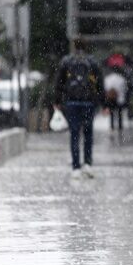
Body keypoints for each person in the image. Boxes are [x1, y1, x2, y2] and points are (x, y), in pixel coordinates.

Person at [54, 38, 104, 179]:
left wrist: (57, 101)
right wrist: (103, 103)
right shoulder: (92, 62)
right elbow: (100, 83)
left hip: (71, 102)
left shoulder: (67, 61)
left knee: (74, 134)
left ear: (74, 46)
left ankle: (75, 167)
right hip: (88, 102)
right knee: (88, 134)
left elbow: (59, 82)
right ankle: (88, 164)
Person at [104, 69, 127, 134]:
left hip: (111, 99)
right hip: (119, 98)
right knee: (119, 113)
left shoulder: (108, 78)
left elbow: (106, 88)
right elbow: (124, 88)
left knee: (111, 113)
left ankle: (112, 126)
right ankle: (120, 126)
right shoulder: (121, 78)